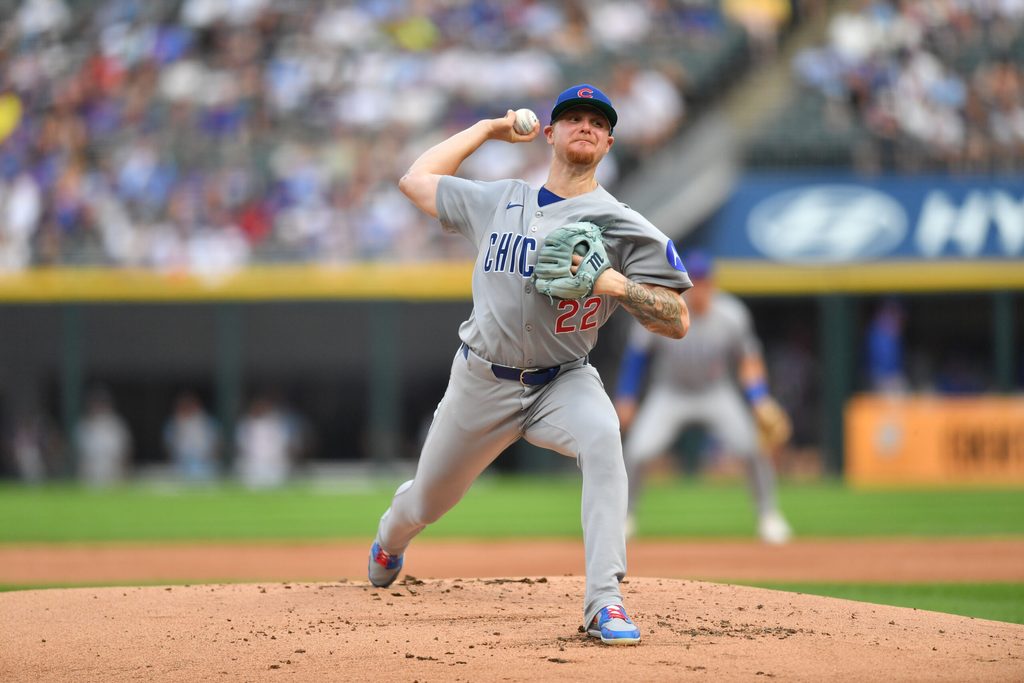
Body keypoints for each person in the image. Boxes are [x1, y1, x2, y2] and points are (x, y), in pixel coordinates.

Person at [367, 84, 692, 646]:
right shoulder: (500, 199)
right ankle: (389, 543)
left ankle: (604, 603)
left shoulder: (620, 222)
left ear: (609, 141)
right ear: (551, 133)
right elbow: (414, 181)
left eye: (597, 121)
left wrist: (616, 283)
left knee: (603, 438)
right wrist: (488, 129)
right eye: (573, 118)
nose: (585, 126)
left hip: (562, 380)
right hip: (480, 380)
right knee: (427, 501)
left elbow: (678, 319)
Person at [614, 249, 793, 544]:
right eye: (693, 281)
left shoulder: (731, 315)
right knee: (638, 451)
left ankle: (769, 516)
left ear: (713, 283)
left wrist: (759, 398)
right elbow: (637, 356)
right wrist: (627, 396)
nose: (699, 288)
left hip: (715, 391)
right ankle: (626, 517)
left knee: (751, 448)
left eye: (704, 280)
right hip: (670, 392)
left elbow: (749, 361)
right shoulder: (662, 307)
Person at [74, 386, 132, 487]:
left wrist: (124, 477)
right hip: (89, 479)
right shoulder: (83, 426)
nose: (98, 407)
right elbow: (78, 456)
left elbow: (125, 453)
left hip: (113, 478)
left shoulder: (116, 424)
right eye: (95, 403)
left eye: (101, 403)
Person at [163, 391, 221, 484]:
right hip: (181, 463)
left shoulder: (207, 421)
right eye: (184, 406)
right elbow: (168, 445)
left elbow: (217, 442)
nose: (188, 408)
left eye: (190, 405)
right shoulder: (174, 423)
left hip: (205, 463)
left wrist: (211, 458)